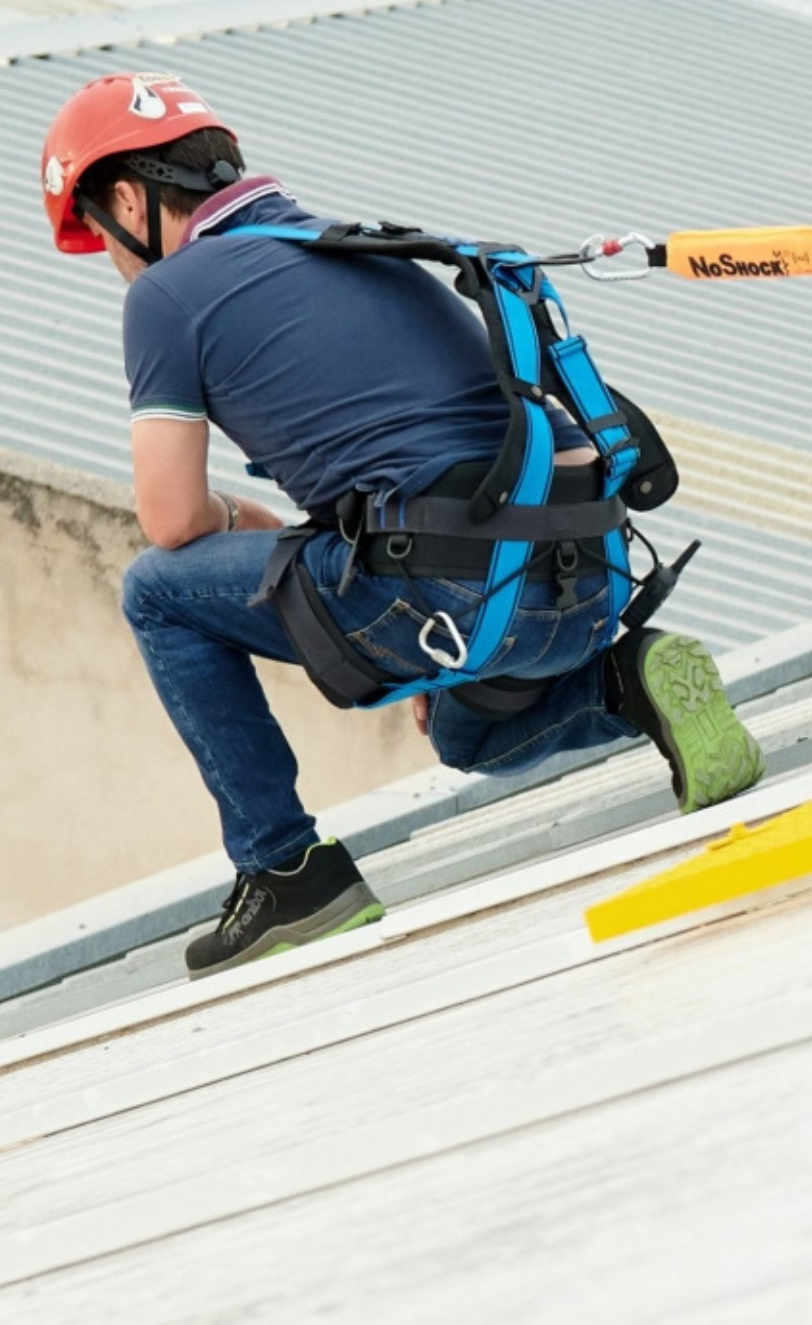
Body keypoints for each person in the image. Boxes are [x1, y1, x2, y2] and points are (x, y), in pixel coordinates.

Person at [41, 72, 762, 974]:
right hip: (586, 576)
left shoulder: (168, 295)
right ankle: (632, 681)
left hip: (456, 581)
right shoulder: (359, 246)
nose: (115, 262)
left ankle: (287, 872)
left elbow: (171, 517)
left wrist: (252, 522)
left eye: (103, 239)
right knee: (467, 736)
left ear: (125, 199)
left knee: (155, 594)